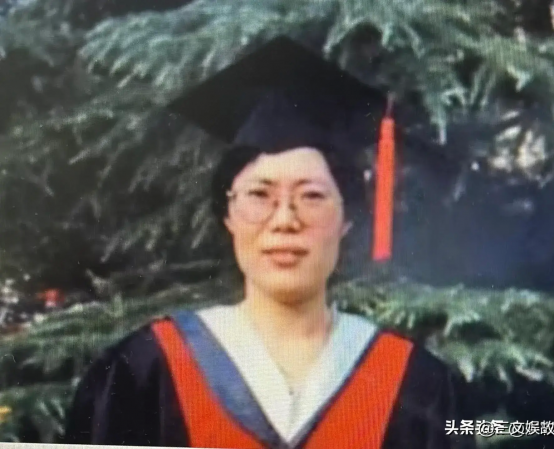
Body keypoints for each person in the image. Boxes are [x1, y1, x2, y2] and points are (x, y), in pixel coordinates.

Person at [64, 36, 477, 449]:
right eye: (260, 195)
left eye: (311, 196)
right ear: (228, 214)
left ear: (347, 218)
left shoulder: (418, 384)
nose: (284, 221)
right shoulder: (145, 370)